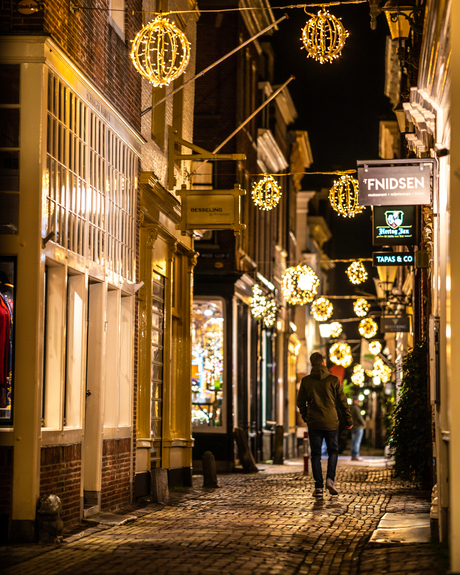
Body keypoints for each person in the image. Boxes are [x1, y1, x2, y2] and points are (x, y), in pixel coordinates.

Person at [296, 352, 353, 497]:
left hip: (314, 422)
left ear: (311, 364)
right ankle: (330, 480)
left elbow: (300, 402)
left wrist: (306, 416)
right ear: (323, 362)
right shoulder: (333, 380)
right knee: (333, 451)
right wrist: (348, 420)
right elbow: (342, 402)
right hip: (331, 422)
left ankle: (318, 488)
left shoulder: (306, 381)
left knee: (315, 454)